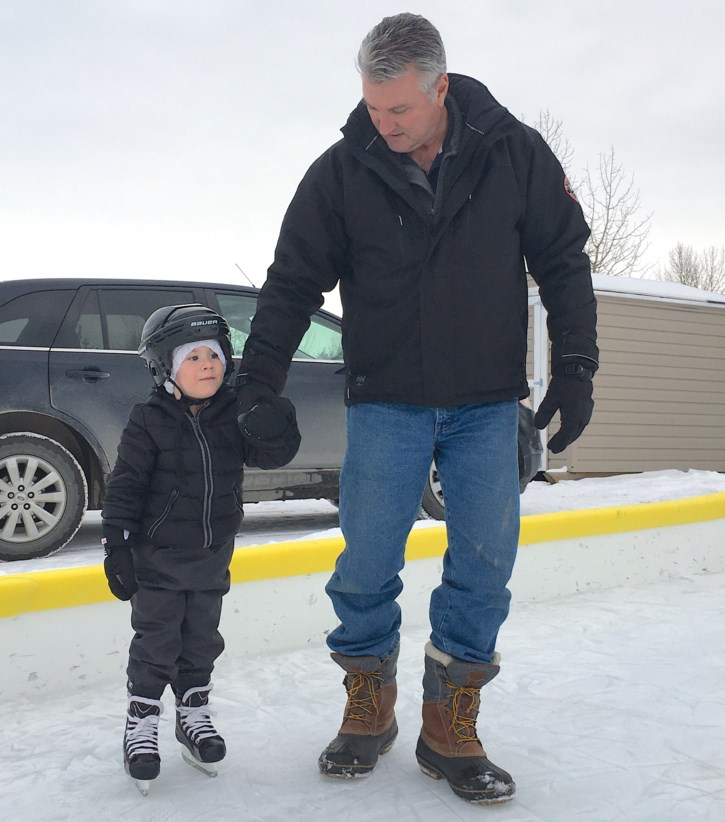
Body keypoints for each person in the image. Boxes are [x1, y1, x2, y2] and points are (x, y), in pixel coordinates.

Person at [235, 12, 598, 806]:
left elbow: (564, 260)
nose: (383, 123)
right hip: (387, 401)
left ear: (441, 86)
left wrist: (575, 365)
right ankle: (370, 702)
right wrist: (255, 382)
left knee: (483, 565)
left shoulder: (515, 153)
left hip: (484, 404)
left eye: (399, 109)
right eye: (372, 106)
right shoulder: (340, 171)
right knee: (365, 563)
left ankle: (450, 721)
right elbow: (292, 280)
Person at [101, 304, 300, 787]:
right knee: (157, 641)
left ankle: (192, 713)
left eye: (213, 354)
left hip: (213, 556)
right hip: (158, 559)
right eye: (193, 357)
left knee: (202, 641)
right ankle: (142, 719)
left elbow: (273, 454)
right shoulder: (148, 420)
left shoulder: (234, 412)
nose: (207, 364)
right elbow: (125, 484)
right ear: (165, 368)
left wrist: (276, 421)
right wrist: (117, 545)